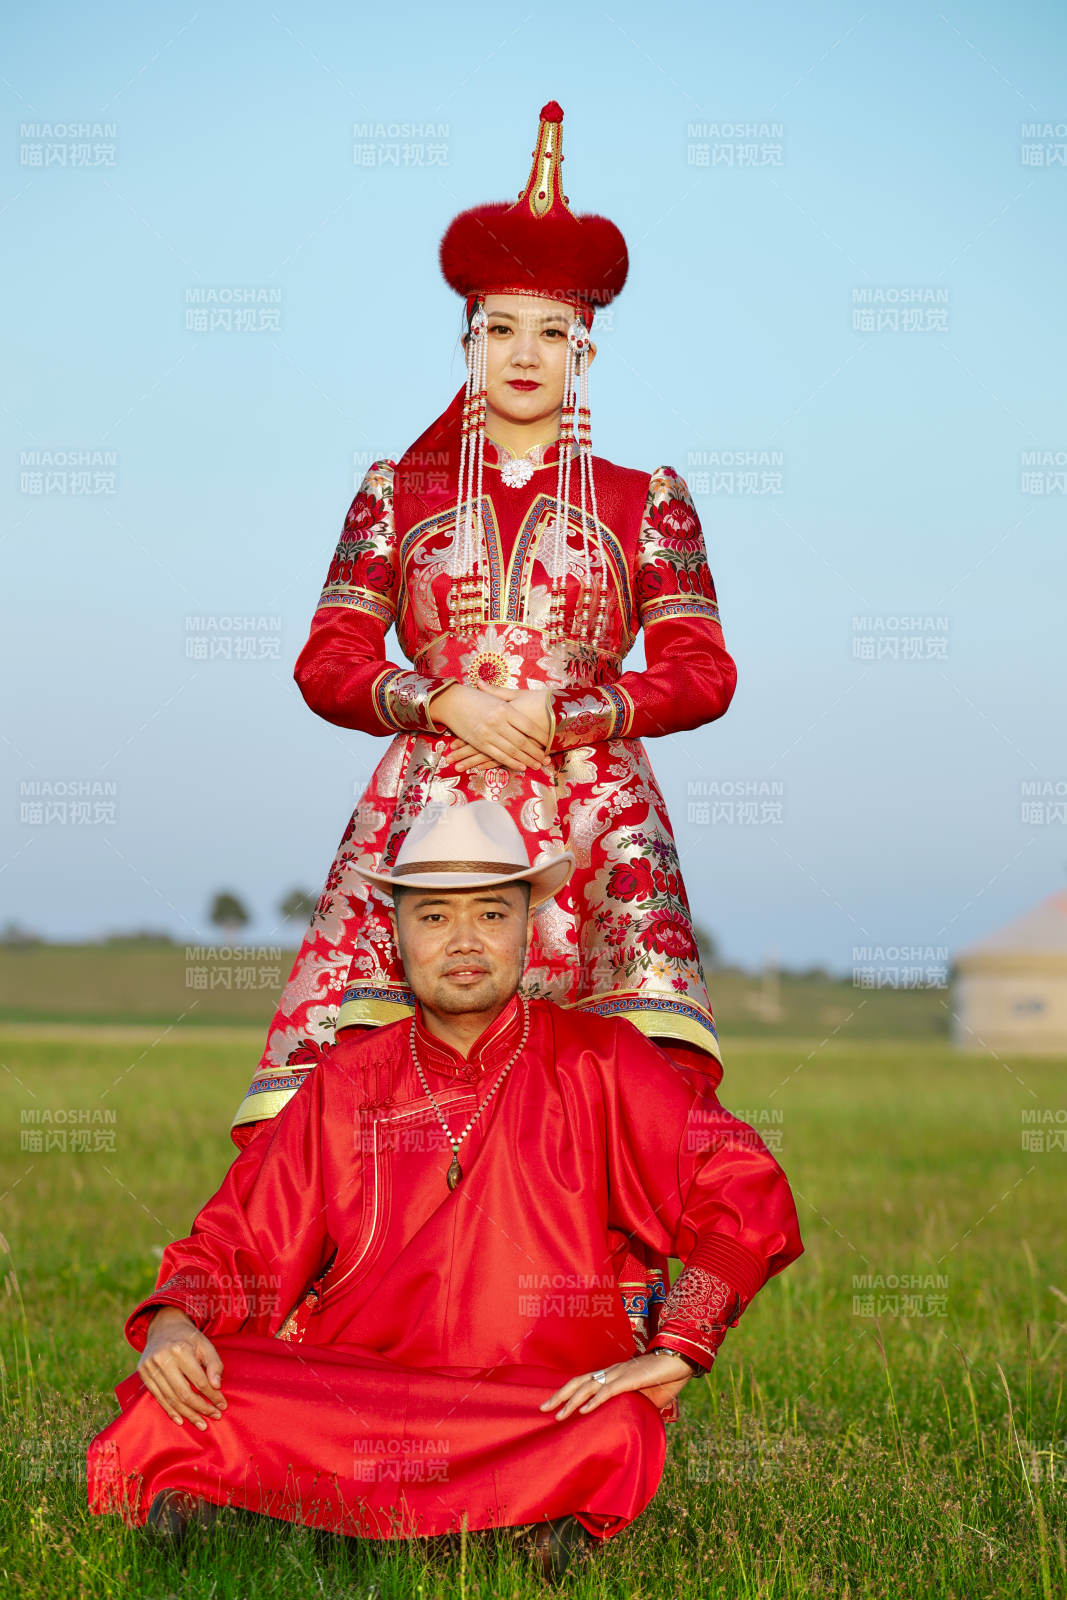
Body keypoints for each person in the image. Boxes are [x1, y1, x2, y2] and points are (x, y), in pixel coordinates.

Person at [231, 99, 739, 1363]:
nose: (522, 353)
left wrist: (575, 713)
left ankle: (586, 1359)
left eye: (550, 333)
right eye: (497, 329)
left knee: (595, 1098)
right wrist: (439, 697)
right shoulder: (391, 495)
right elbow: (328, 659)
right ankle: (335, 1352)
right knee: (364, 1084)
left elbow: (701, 667)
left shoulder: (644, 501)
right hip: (427, 812)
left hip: (591, 823)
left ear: (585, 352)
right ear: (463, 343)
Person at [88, 802, 802, 1579]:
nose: (464, 941)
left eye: (491, 912)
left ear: (527, 928)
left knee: (618, 1424)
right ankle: (502, 1521)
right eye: (434, 916)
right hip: (359, 1399)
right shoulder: (344, 1082)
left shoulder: (605, 1061)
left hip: (533, 1404)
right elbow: (245, 1240)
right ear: (397, 936)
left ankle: (295, 1509)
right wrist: (175, 1317)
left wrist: (678, 1348)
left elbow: (741, 1184)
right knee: (177, 1394)